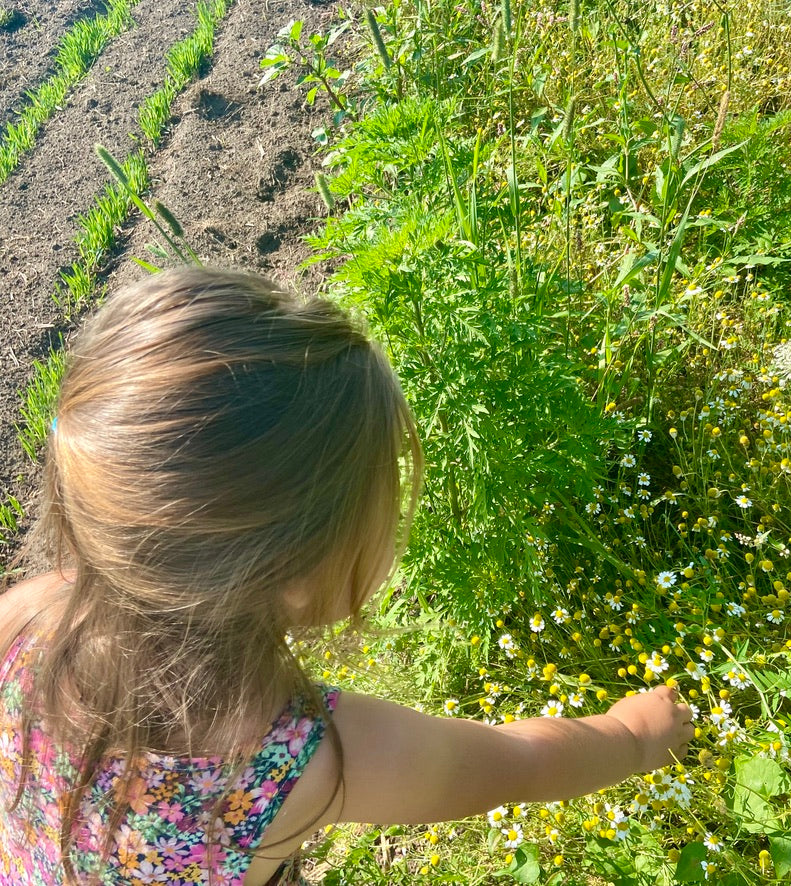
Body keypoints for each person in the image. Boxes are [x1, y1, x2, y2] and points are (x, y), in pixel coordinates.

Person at [0, 267, 693, 885]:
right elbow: (520, 762)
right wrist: (632, 737)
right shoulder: (297, 759)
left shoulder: (26, 613)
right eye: (381, 505)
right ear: (291, 569)